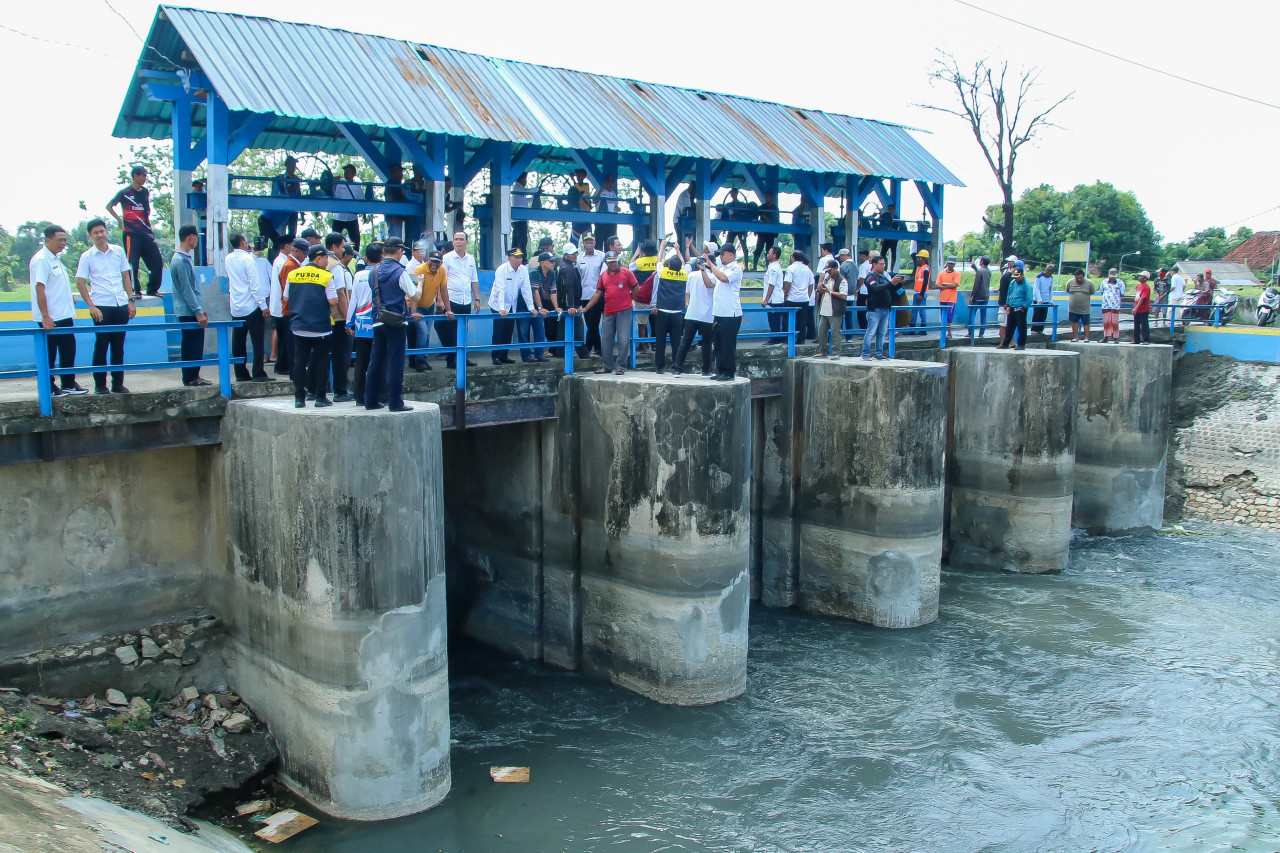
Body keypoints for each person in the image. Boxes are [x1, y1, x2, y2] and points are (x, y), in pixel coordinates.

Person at [74, 218, 135, 394]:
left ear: (106, 231)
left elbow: (126, 276)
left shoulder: (118, 251)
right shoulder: (87, 256)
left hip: (120, 304)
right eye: (95, 233)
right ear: (90, 236)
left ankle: (118, 383)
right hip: (101, 305)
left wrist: (131, 300)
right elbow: (80, 282)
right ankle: (100, 384)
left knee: (118, 346)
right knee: (101, 345)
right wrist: (91, 306)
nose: (100, 235)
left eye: (102, 231)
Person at [30, 224, 87, 397]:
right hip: (51, 317)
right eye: (59, 240)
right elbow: (40, 288)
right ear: (48, 240)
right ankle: (50, 386)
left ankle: (69, 382)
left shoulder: (55, 259)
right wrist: (45, 316)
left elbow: (55, 287)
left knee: (69, 350)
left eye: (64, 240)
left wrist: (69, 297)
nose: (63, 243)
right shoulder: (41, 260)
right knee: (50, 354)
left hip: (64, 315)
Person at [364, 239, 416, 412]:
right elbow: (415, 296)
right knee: (395, 362)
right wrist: (421, 284)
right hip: (396, 321)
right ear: (400, 251)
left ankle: (370, 400)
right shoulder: (400, 272)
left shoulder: (374, 271)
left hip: (378, 320)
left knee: (376, 360)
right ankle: (395, 402)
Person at [288, 245, 340, 407]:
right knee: (321, 361)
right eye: (326, 258)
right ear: (318, 258)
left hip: (298, 325)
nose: (327, 261)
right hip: (320, 326)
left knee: (300, 360)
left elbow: (285, 298)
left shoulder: (293, 274)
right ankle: (320, 397)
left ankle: (299, 398)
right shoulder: (326, 276)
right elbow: (333, 301)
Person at [106, 166, 164, 297]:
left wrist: (150, 228)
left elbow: (145, 213)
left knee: (157, 261)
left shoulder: (145, 192)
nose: (144, 179)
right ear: (135, 176)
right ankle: (135, 291)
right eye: (142, 176)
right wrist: (120, 221)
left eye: (145, 176)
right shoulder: (125, 193)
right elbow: (109, 206)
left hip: (146, 231)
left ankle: (152, 288)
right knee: (133, 262)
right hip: (131, 233)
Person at [581, 251, 638, 375]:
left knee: (623, 339)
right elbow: (598, 293)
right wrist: (586, 308)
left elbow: (636, 288)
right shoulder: (603, 276)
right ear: (606, 262)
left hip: (624, 310)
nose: (613, 263)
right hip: (608, 311)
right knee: (606, 341)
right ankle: (607, 366)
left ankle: (620, 366)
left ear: (618, 261)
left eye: (615, 261)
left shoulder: (626, 272)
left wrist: (629, 299)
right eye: (610, 261)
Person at [226, 233, 270, 382]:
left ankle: (240, 373)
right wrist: (263, 306)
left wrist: (252, 254)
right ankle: (258, 372)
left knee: (238, 341)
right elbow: (254, 285)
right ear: (243, 242)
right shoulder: (248, 260)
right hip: (251, 305)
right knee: (257, 341)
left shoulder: (228, 258)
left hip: (236, 306)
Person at [170, 225, 209, 387]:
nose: (197, 240)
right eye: (196, 237)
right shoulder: (182, 261)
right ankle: (191, 376)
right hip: (189, 311)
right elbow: (188, 290)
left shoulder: (180, 258)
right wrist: (198, 311)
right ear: (190, 237)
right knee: (193, 344)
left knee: (190, 343)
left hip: (186, 309)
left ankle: (192, 375)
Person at [489, 247, 540, 364]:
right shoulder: (501, 270)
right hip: (498, 304)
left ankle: (504, 355)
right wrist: (501, 309)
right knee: (499, 330)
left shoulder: (523, 270)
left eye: (520, 257)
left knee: (508, 330)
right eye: (516, 257)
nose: (519, 259)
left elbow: (526, 289)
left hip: (512, 303)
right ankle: (495, 356)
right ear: (509, 258)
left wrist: (531, 307)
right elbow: (501, 289)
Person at [437, 231, 480, 369]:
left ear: (466, 241)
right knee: (449, 330)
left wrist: (477, 298)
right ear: (453, 241)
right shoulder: (447, 258)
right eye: (456, 239)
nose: (458, 242)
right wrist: (440, 300)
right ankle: (451, 360)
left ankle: (463, 358)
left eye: (461, 239)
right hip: (451, 299)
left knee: (463, 329)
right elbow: (441, 281)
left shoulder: (471, 259)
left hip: (466, 300)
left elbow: (474, 280)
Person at [673, 242, 716, 377]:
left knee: (685, 342)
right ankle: (705, 370)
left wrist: (688, 303)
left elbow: (687, 293)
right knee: (707, 344)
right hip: (707, 315)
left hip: (691, 313)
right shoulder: (714, 276)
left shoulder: (691, 275)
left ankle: (677, 369)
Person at [705, 243, 745, 380]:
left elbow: (724, 278)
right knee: (718, 344)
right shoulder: (722, 268)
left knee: (728, 344)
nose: (720, 257)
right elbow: (710, 284)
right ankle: (720, 370)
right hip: (719, 312)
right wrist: (704, 269)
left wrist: (711, 265)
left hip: (730, 313)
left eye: (722, 254)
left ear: (731, 255)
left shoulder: (736, 268)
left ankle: (729, 372)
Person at [348, 243, 379, 405]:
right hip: (377, 323)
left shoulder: (358, 275)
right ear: (381, 258)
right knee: (378, 361)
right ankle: (377, 395)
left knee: (361, 362)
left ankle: (359, 396)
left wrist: (349, 322)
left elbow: (353, 300)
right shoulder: (380, 273)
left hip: (361, 324)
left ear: (365, 258)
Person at [324, 232, 354, 401]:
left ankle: (315, 390)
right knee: (342, 356)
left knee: (319, 355)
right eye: (342, 246)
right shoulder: (335, 266)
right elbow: (341, 294)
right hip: (339, 317)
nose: (343, 250)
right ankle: (341, 391)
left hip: (324, 318)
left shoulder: (317, 264)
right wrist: (349, 320)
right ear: (334, 247)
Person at [272, 239, 306, 375]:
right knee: (291, 343)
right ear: (295, 250)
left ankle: (290, 368)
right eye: (304, 253)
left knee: (289, 342)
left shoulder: (292, 264)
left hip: (290, 308)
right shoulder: (290, 266)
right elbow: (289, 291)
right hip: (290, 309)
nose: (305, 257)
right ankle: (293, 370)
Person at [258, 155, 302, 260]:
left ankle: (276, 258)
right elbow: (277, 192)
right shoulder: (281, 178)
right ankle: (257, 256)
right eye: (291, 164)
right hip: (266, 219)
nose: (293, 167)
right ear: (286, 165)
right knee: (264, 241)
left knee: (279, 240)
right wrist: (289, 186)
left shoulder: (295, 180)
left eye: (294, 165)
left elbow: (299, 197)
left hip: (278, 220)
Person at [861, 256, 905, 360]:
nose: (883, 266)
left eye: (884, 264)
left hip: (886, 309)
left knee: (882, 333)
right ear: (874, 264)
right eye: (881, 264)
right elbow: (876, 288)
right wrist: (891, 282)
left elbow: (891, 289)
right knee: (870, 332)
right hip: (875, 309)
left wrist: (899, 284)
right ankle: (865, 353)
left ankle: (878, 353)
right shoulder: (871, 277)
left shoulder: (885, 276)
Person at [410, 245, 446, 371]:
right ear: (427, 260)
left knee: (427, 334)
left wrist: (448, 308)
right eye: (432, 261)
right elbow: (413, 292)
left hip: (430, 305)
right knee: (422, 332)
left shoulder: (442, 271)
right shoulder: (419, 270)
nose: (434, 264)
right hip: (417, 305)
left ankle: (423, 358)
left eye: (437, 262)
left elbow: (443, 289)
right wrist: (413, 312)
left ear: (441, 263)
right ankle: (419, 360)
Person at [650, 255, 687, 373]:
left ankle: (659, 367)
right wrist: (678, 250)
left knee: (660, 341)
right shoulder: (684, 274)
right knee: (676, 342)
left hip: (663, 312)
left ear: (669, 265)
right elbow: (684, 264)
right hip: (677, 313)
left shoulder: (663, 272)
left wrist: (661, 248)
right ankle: (676, 367)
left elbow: (659, 260)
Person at [576, 234, 606, 357]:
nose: (589, 244)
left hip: (597, 295)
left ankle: (588, 349)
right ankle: (598, 349)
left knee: (593, 324)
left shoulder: (601, 256)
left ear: (594, 243)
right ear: (583, 243)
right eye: (587, 242)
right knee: (589, 324)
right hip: (584, 295)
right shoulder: (579, 258)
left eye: (591, 242)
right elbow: (577, 276)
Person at [630, 239, 659, 354]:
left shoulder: (639, 262)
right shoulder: (660, 260)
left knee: (642, 324)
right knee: (655, 322)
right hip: (656, 297)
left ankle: (644, 347)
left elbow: (628, 268)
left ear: (644, 251)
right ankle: (655, 346)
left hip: (642, 297)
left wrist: (636, 254)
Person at [530, 251, 562, 349]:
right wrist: (540, 307)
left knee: (548, 325)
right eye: (550, 261)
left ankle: (547, 351)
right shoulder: (534, 273)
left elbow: (553, 291)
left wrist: (556, 307)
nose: (553, 263)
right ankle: (528, 353)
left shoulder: (552, 273)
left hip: (542, 300)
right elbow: (535, 292)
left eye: (554, 262)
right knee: (527, 329)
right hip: (530, 303)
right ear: (542, 262)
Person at [814, 265, 848, 358]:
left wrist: (830, 291)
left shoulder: (842, 280)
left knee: (835, 332)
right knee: (821, 331)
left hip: (835, 310)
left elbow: (843, 295)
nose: (828, 272)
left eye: (830, 270)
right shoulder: (827, 279)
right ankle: (822, 350)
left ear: (835, 268)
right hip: (825, 310)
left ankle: (836, 351)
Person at [783, 250, 816, 344]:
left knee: (788, 319)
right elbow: (811, 284)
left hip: (792, 298)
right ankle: (801, 339)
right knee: (802, 320)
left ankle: (789, 339)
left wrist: (786, 295)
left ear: (793, 257)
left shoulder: (791, 268)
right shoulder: (807, 269)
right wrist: (808, 295)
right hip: (804, 299)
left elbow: (788, 283)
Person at [998, 264, 1031, 349]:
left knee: (1021, 327)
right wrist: (1008, 304)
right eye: (1015, 276)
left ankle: (1021, 344)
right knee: (1009, 327)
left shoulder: (1027, 285)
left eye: (1018, 276)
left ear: (1022, 275)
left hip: (1021, 308)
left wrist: (1024, 307)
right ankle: (1005, 343)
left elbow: (1029, 298)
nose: (1016, 278)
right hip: (1012, 307)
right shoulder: (1013, 283)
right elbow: (1009, 294)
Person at [331, 163, 362, 248]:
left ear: (354, 173)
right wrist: (334, 183)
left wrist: (364, 214)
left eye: (349, 171)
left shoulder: (358, 186)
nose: (346, 173)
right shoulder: (338, 183)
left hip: (352, 217)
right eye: (345, 171)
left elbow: (361, 200)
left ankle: (354, 259)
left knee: (355, 241)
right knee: (334, 241)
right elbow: (332, 194)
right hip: (338, 217)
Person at [761, 246, 786, 345]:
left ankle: (774, 339)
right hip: (774, 299)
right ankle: (775, 338)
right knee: (774, 320)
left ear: (774, 255)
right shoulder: (772, 266)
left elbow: (771, 285)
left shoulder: (774, 268)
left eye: (769, 252)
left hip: (773, 300)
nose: (767, 254)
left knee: (773, 320)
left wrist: (766, 300)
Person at [1066, 270, 1095, 341]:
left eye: (1080, 278)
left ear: (1083, 277)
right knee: (1074, 322)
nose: (1078, 280)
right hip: (1073, 308)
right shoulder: (1070, 282)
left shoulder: (1089, 283)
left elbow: (1092, 292)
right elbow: (1067, 290)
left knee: (1086, 323)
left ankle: (1087, 338)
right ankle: (1076, 338)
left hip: (1085, 308)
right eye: (1077, 278)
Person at [752, 191, 778, 271]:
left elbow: (777, 220)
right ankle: (755, 266)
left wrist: (776, 231)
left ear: (771, 197)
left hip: (770, 232)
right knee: (758, 248)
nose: (766, 198)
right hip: (762, 231)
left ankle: (768, 267)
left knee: (769, 250)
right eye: (765, 197)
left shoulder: (774, 208)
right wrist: (755, 230)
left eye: (768, 197)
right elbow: (756, 217)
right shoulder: (761, 207)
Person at [566, 169, 592, 246]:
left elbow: (578, 191)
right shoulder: (575, 186)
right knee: (574, 241)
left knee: (588, 240)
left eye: (580, 175)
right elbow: (575, 191)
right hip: (576, 214)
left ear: (584, 176)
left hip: (586, 214)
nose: (578, 176)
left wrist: (573, 179)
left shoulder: (586, 185)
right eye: (577, 175)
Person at [968, 255, 992, 339]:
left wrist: (972, 296)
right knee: (983, 315)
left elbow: (976, 285)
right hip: (986, 296)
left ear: (981, 261)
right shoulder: (988, 271)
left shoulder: (980, 272)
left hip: (977, 296)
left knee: (972, 314)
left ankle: (970, 332)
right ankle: (981, 333)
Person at [935, 255, 961, 329]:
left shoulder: (957, 273)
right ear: (947, 263)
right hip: (942, 298)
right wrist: (948, 286)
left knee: (949, 316)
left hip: (951, 299)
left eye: (952, 264)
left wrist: (944, 284)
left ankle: (948, 331)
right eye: (949, 263)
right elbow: (937, 285)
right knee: (943, 315)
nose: (951, 265)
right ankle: (945, 331)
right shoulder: (941, 273)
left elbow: (955, 284)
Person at [1100, 268, 1125, 343]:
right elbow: (1101, 291)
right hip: (1106, 305)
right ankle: (1106, 337)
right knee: (1106, 321)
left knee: (1114, 322)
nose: (1112, 279)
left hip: (1115, 305)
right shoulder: (1104, 282)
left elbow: (1122, 293)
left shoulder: (1120, 283)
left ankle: (1115, 338)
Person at [511, 172, 534, 255]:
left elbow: (526, 201)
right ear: (520, 179)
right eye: (525, 179)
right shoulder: (517, 187)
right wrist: (537, 189)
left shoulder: (519, 189)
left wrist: (535, 196)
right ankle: (521, 256)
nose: (526, 182)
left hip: (520, 219)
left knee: (517, 239)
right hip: (519, 219)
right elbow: (527, 191)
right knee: (522, 239)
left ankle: (515, 255)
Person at [594, 175, 619, 247]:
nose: (610, 183)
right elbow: (594, 201)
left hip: (611, 221)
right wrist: (600, 191)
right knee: (599, 241)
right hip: (601, 220)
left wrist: (617, 209)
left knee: (610, 242)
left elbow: (616, 206)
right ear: (605, 182)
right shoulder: (600, 190)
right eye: (608, 181)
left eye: (612, 182)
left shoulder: (614, 193)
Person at [910, 249, 931, 332]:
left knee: (922, 311)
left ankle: (923, 328)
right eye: (918, 258)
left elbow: (925, 282)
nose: (918, 259)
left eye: (920, 258)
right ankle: (912, 327)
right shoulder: (919, 268)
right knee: (914, 311)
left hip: (922, 293)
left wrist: (921, 294)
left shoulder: (926, 268)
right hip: (917, 292)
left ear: (924, 259)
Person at [1031, 264, 1055, 333]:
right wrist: (1039, 299)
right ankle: (1034, 329)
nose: (1049, 275)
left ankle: (1040, 329)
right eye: (1048, 273)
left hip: (1046, 299)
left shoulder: (1051, 278)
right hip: (1038, 299)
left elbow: (1050, 289)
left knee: (1043, 315)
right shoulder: (1039, 277)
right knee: (1037, 315)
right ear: (1046, 271)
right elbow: (1037, 288)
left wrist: (1051, 300)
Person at [1132, 270, 1152, 345]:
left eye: (1141, 276)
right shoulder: (1139, 286)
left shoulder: (1146, 287)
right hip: (1137, 308)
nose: (1139, 277)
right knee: (1136, 324)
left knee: (1144, 325)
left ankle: (1146, 340)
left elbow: (1142, 298)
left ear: (1145, 278)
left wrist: (1136, 308)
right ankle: (1136, 339)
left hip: (1143, 309)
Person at [877, 203, 898, 268]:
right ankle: (884, 267)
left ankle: (892, 269)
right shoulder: (885, 216)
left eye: (891, 209)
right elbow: (881, 223)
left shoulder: (896, 218)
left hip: (893, 239)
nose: (890, 210)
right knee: (883, 253)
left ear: (894, 210)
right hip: (886, 238)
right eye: (889, 209)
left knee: (893, 253)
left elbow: (896, 227)